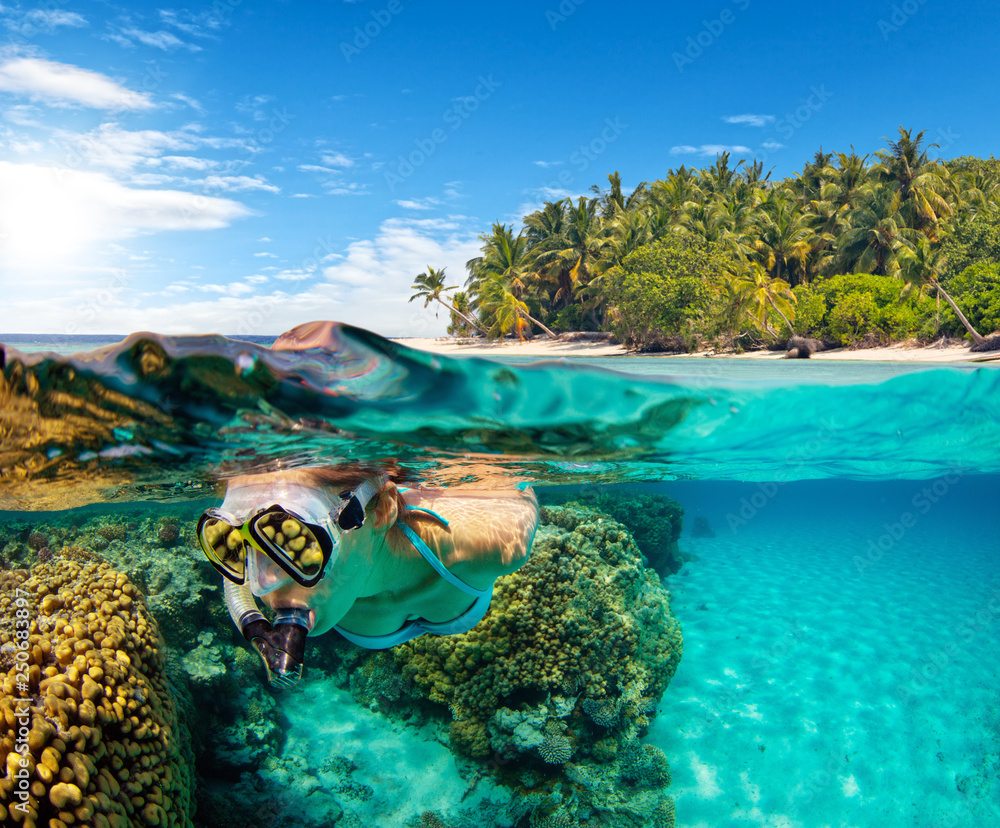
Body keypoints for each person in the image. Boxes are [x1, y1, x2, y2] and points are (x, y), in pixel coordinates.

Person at [196, 322, 540, 688]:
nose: (263, 585)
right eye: (235, 544)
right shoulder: (275, 578)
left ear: (380, 510)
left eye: (291, 537)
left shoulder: (490, 547)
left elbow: (518, 486)